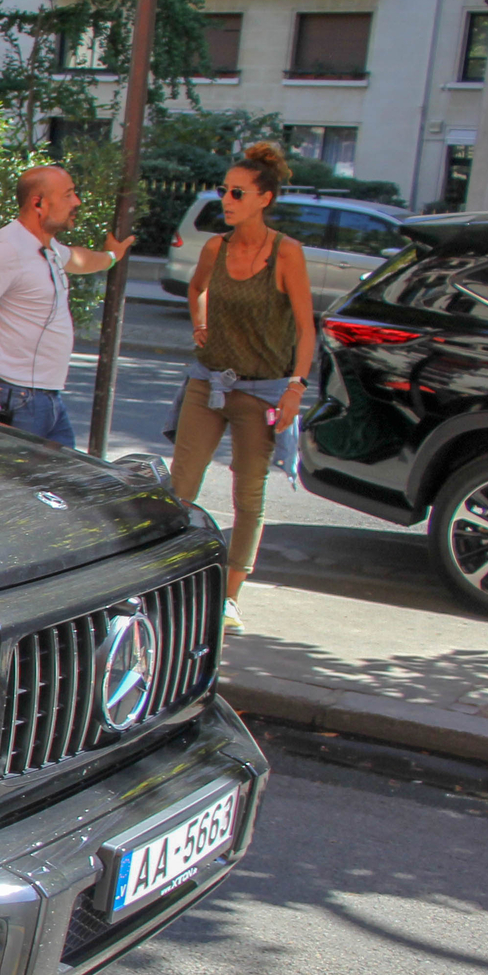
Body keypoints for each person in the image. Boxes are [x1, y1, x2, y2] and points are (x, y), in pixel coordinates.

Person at [169, 141, 315, 633]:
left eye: (236, 192)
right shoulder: (216, 247)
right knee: (181, 485)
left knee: (248, 494)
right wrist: (200, 324)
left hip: (263, 389)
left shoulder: (286, 254)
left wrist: (296, 388)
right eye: (223, 191)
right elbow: (197, 289)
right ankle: (170, 581)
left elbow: (306, 327)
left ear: (263, 199)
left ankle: (229, 597)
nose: (226, 200)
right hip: (208, 382)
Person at [0, 165, 134, 448]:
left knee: (64, 486)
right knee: (14, 487)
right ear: (38, 203)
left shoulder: (47, 248)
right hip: (13, 398)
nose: (76, 202)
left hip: (45, 399)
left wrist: (112, 256)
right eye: (68, 195)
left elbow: (79, 259)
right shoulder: (5, 249)